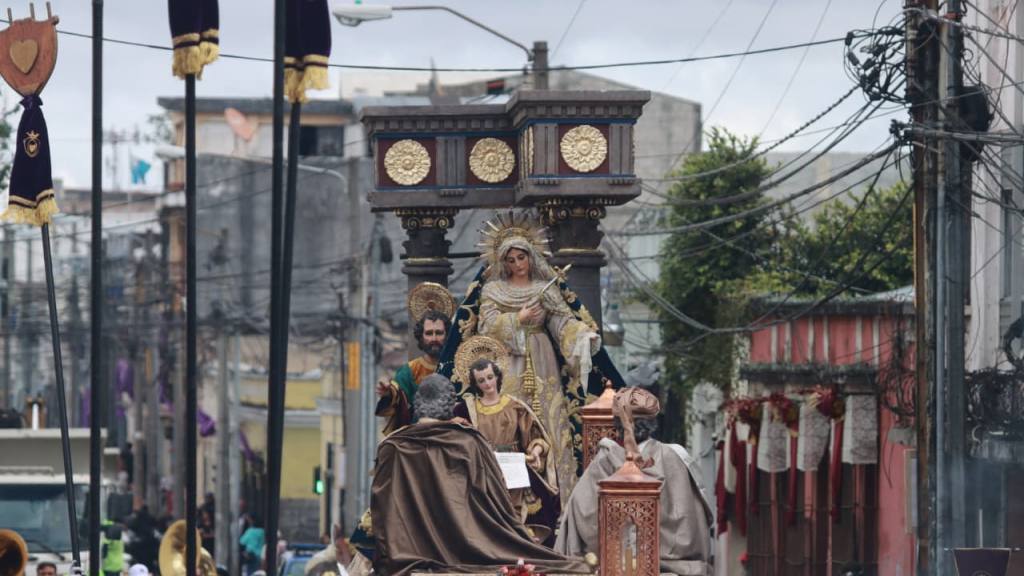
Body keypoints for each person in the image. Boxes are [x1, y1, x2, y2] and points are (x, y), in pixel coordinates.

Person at [370, 373, 592, 576]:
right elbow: (497, 501)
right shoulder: (470, 442)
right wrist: (517, 535)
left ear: (419, 404)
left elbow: (382, 511)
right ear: (450, 404)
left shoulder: (392, 447)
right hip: (474, 550)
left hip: (406, 556)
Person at [473, 213, 601, 501]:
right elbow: (485, 327)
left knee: (549, 417)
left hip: (542, 360)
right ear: (502, 262)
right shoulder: (494, 290)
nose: (518, 265)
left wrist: (581, 335)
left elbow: (562, 322)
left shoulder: (546, 289)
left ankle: (555, 493)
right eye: (511, 259)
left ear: (531, 256)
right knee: (510, 420)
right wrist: (518, 318)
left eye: (522, 257)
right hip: (508, 362)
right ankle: (509, 494)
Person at [554, 387, 714, 574]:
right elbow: (689, 519)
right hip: (672, 568)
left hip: (611, 565)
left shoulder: (604, 461)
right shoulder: (674, 457)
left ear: (617, 424)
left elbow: (582, 515)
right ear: (652, 422)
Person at [453, 358, 560, 541]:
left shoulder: (514, 406)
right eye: (481, 380)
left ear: (497, 377)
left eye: (489, 377)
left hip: (515, 465)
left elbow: (535, 436)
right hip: (486, 466)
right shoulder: (468, 409)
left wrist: (535, 451)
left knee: (529, 508)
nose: (487, 384)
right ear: (475, 384)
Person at [375, 308, 451, 434]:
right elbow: (398, 400)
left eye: (439, 333)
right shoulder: (410, 371)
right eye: (429, 333)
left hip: (452, 434)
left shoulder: (456, 367)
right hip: (419, 436)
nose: (434, 338)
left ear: (447, 335)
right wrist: (388, 393)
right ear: (421, 336)